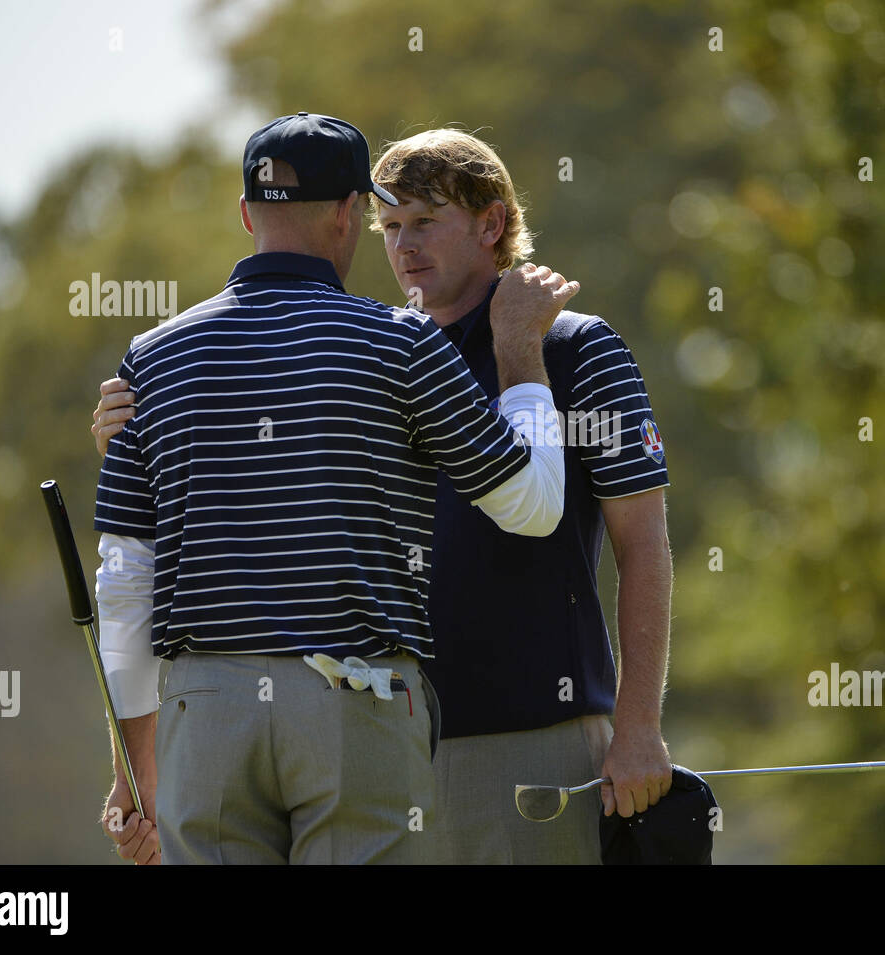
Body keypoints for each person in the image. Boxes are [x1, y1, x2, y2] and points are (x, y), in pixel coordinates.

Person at [94, 128, 672, 864]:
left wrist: (640, 725)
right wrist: (136, 433)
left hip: (527, 742)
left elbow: (644, 541)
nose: (404, 247)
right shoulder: (385, 345)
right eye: (390, 226)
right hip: (382, 729)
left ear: (492, 224)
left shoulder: (574, 347)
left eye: (426, 222)